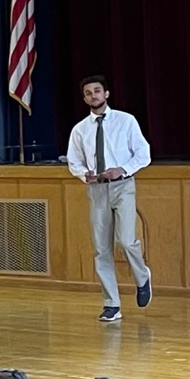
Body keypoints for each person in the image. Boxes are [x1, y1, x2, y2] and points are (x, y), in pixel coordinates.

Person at [66, 74, 152, 320]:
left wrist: (123, 169)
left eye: (97, 91)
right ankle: (111, 304)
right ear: (84, 99)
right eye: (88, 93)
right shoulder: (80, 130)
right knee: (101, 248)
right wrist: (85, 174)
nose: (94, 96)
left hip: (122, 186)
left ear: (107, 94)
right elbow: (74, 161)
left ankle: (142, 276)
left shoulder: (126, 121)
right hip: (97, 189)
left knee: (125, 241)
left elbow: (143, 154)